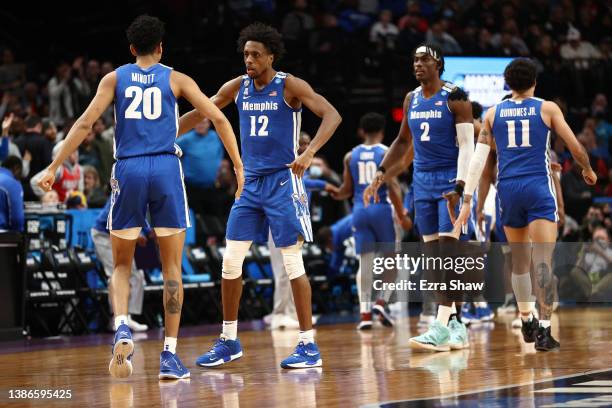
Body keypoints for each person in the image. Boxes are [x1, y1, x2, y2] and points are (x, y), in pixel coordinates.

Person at [37, 15, 244, 380]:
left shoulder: (114, 78)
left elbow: (85, 124)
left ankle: (120, 325)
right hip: (165, 168)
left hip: (128, 169)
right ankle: (169, 355)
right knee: (172, 269)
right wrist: (240, 170)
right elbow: (220, 119)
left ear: (132, 49)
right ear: (161, 46)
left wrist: (54, 166)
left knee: (120, 265)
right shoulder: (176, 78)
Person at [182, 23, 341, 369]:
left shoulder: (290, 85)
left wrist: (311, 151)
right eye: (245, 54)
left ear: (271, 56)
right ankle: (228, 340)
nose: (249, 60)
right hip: (250, 184)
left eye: (255, 54)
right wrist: (162, 134)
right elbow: (202, 112)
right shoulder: (238, 87)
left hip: (284, 181)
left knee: (291, 262)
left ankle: (308, 345)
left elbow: (332, 114)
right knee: (230, 261)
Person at [453, 57, 597, 351]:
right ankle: (544, 329)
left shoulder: (493, 113)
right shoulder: (547, 108)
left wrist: (467, 198)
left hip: (508, 190)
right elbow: (574, 145)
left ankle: (526, 316)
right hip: (538, 187)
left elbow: (478, 160)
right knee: (543, 261)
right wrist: (587, 169)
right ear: (535, 82)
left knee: (518, 263)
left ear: (507, 84)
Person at [364, 44, 474, 352]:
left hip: (450, 181)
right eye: (414, 59)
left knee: (449, 253)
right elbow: (401, 141)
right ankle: (456, 325)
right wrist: (380, 173)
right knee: (433, 258)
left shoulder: (457, 96)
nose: (418, 64)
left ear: (438, 64)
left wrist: (462, 185)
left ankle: (440, 325)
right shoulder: (411, 98)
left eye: (424, 59)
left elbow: (467, 145)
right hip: (422, 183)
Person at [331, 112, 408, 330]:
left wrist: (333, 192)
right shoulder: (386, 153)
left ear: (361, 131)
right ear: (382, 131)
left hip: (359, 210)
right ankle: (381, 302)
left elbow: (345, 190)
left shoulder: (350, 155)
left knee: (364, 263)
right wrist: (401, 214)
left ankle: (364, 315)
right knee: (391, 261)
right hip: (382, 209)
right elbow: (392, 186)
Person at [91, 197, 148, 332]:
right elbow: (113, 221)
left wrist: (148, 232)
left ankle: (128, 317)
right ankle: (117, 319)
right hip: (104, 235)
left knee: (136, 275)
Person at [176, 117, 224, 219]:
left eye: (203, 122)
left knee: (215, 218)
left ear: (209, 124)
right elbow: (171, 149)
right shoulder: (186, 139)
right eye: (197, 122)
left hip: (212, 186)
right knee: (196, 221)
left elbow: (220, 153)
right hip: (192, 188)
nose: (200, 125)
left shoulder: (214, 136)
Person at [0, 156, 24, 231]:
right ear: (16, 168)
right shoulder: (12, 183)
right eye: (20, 173)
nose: (19, 177)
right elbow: (17, 219)